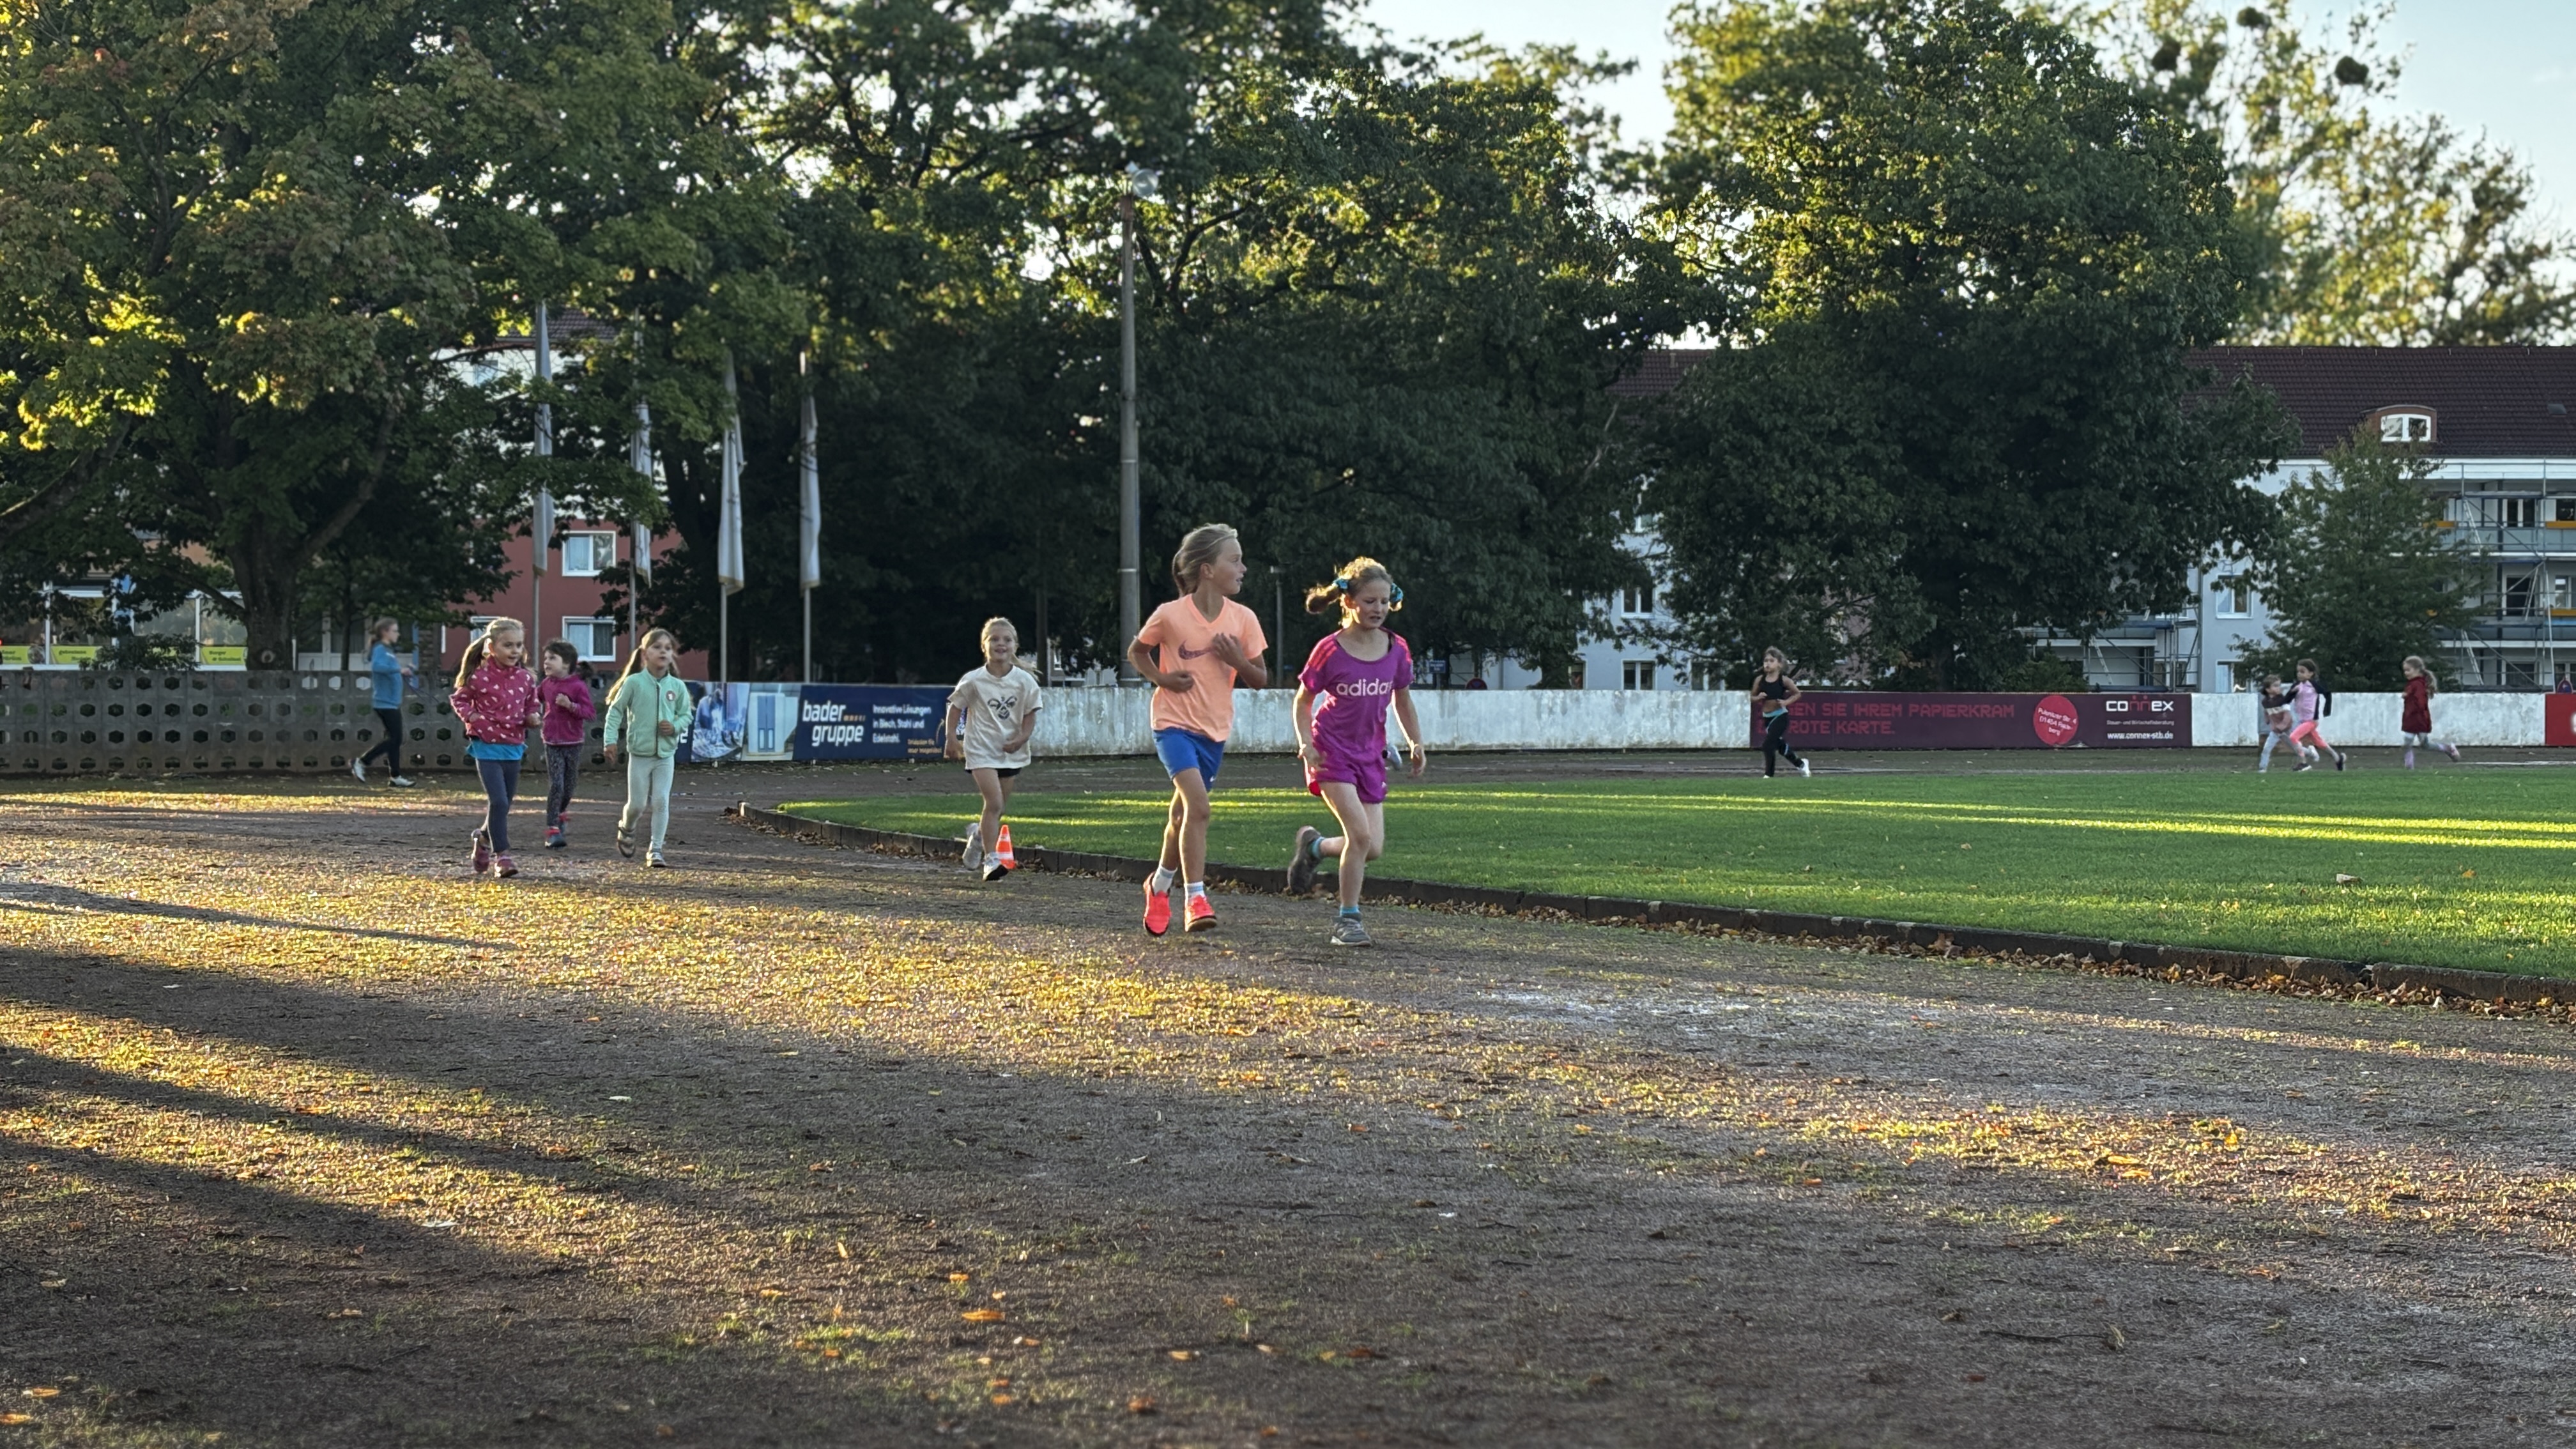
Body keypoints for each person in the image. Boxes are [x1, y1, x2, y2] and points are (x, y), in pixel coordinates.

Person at [1127, 523, 1268, 936]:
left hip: (1214, 732)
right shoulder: (1170, 615)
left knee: (1181, 814)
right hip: (1172, 726)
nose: (1243, 568)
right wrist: (1162, 679)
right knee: (1199, 808)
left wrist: (1238, 661)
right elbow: (1137, 652)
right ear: (1207, 570)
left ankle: (1159, 885)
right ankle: (1195, 898)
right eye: (1235, 560)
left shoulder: (1243, 619)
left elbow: (1260, 679)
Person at [1286, 558, 1425, 947]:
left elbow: (1403, 700)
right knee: (1360, 836)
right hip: (1330, 752)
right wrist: (1305, 743)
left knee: (1372, 848)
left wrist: (1415, 741)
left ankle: (1314, 847)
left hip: (1370, 755)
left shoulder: (1396, 648)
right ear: (1348, 602)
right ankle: (1348, 921)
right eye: (1369, 601)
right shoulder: (1329, 650)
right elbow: (1303, 702)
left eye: (1384, 601)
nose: (1378, 609)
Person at [945, 617, 1044, 882]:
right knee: (995, 802)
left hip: (1010, 751)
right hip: (980, 749)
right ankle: (991, 860)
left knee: (997, 809)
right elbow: (955, 707)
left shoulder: (1024, 681)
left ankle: (978, 836)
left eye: (1007, 640)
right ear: (984, 645)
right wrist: (952, 738)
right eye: (995, 639)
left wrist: (1022, 738)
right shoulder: (974, 680)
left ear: (1015, 646)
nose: (1001, 644)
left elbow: (1031, 713)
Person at [448, 617, 544, 877]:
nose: (515, 651)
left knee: (504, 804)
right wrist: (472, 717)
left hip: (513, 745)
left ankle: (482, 839)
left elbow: (532, 704)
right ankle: (503, 856)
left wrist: (533, 717)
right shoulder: (478, 677)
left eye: (519, 645)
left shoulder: (525, 678)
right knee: (499, 801)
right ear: (492, 648)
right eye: (508, 645)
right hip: (486, 745)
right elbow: (460, 699)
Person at [602, 629, 690, 869]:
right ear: (644, 654)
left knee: (661, 801)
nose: (663, 652)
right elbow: (615, 711)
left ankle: (656, 849)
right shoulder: (634, 683)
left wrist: (674, 726)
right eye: (657, 647)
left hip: (666, 756)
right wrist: (610, 741)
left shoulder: (677, 686)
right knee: (638, 805)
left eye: (668, 648)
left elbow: (686, 715)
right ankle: (627, 827)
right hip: (640, 755)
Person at [537, 640, 596, 847]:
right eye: (545, 658)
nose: (546, 662)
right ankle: (552, 829)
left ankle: (560, 813)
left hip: (573, 742)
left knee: (569, 787)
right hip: (552, 742)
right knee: (557, 785)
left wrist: (570, 705)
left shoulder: (578, 686)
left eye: (552, 658)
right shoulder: (546, 684)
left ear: (566, 663)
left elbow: (590, 713)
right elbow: (534, 699)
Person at [351, 618, 416, 787]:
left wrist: (403, 672)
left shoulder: (387, 650)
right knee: (395, 739)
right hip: (385, 702)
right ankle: (362, 762)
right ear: (385, 632)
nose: (398, 634)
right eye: (395, 631)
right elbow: (377, 667)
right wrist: (399, 669)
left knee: (395, 740)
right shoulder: (381, 649)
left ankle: (395, 776)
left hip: (391, 702)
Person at [1750, 647, 1809, 778]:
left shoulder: (1784, 680)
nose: (1768, 664)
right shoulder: (1760, 680)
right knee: (1780, 746)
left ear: (1779, 664)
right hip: (1767, 718)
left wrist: (1786, 702)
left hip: (1780, 716)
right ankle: (1801, 764)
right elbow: (1752, 697)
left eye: (1772, 661)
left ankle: (1769, 774)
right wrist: (1758, 698)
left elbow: (1797, 694)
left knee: (1768, 745)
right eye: (1766, 661)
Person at [2400, 655, 2462, 768]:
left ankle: (2448, 749)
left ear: (2417, 670)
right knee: (2409, 743)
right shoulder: (2413, 684)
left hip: (2419, 719)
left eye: (2408, 670)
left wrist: (2408, 699)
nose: (2406, 673)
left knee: (2423, 745)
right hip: (2412, 718)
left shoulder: (2418, 685)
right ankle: (2409, 766)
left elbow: (2420, 702)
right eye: (2405, 671)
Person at [2288, 659, 2345, 772]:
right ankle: (2338, 758)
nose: (2299, 674)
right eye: (2298, 672)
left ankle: (2303, 763)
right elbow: (2289, 698)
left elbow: (2326, 694)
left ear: (2311, 673)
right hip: (2304, 720)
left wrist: (2326, 710)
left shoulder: (2313, 686)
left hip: (2311, 721)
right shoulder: (2298, 686)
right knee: (2319, 743)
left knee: (2293, 737)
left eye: (2302, 671)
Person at [2255, 673, 2313, 773]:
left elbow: (2287, 715)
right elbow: (2266, 711)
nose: (2279, 688)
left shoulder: (2283, 700)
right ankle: (2262, 768)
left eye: (2279, 685)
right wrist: (2267, 720)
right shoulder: (2265, 702)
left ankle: (2310, 753)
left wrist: (2282, 726)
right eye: (2275, 686)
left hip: (2288, 729)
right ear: (2268, 689)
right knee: (2267, 749)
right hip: (2275, 731)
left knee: (2296, 748)